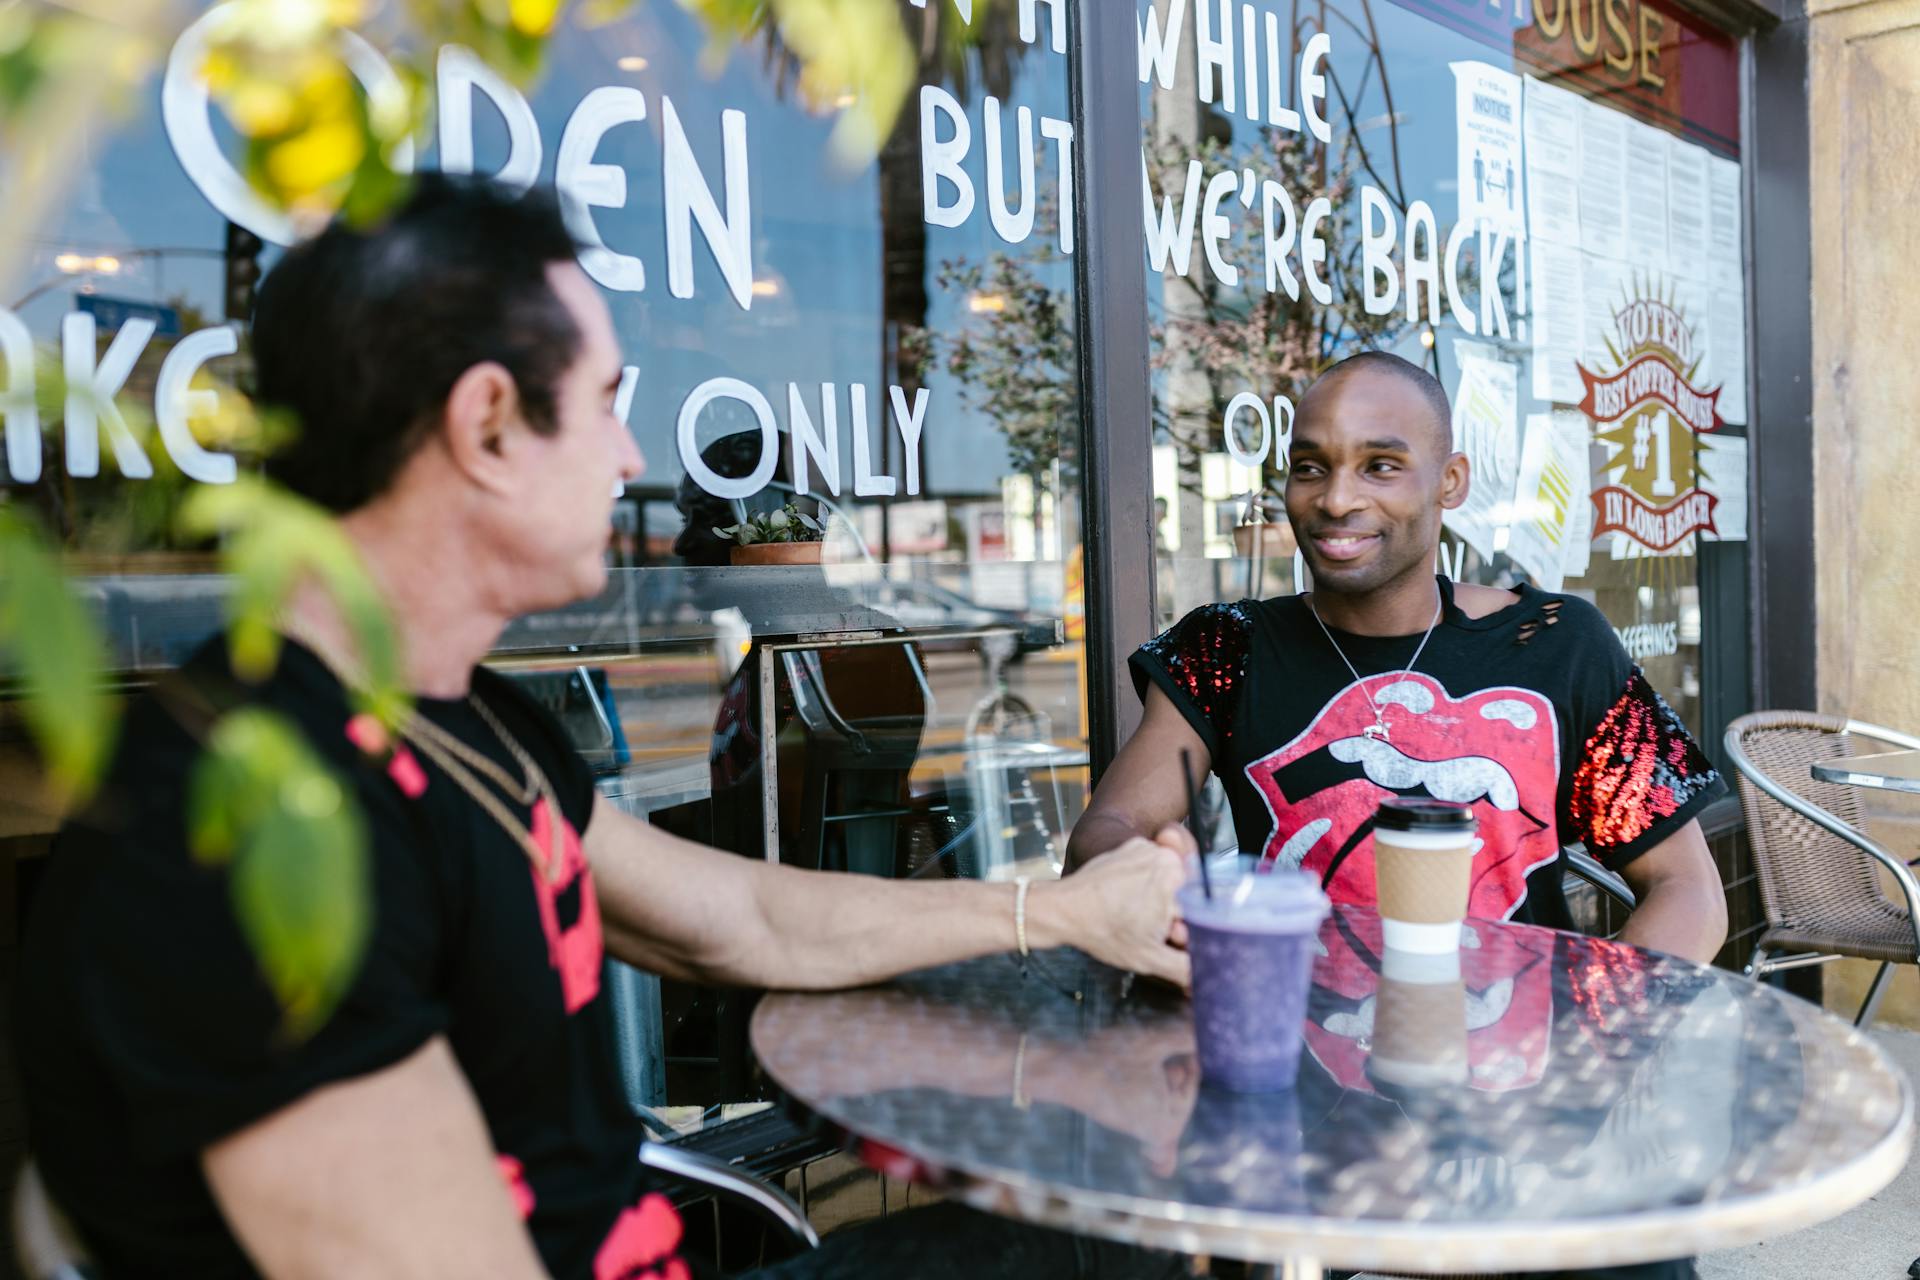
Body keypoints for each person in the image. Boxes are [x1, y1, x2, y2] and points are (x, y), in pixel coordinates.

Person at [17, 177, 1192, 1280]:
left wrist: (1060, 908)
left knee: (1110, 1231)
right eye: (604, 407)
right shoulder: (252, 838)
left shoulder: (467, 716)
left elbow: (735, 917)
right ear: (485, 425)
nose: (635, 459)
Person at [1066, 350, 1727, 1280]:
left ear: (1449, 480)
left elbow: (1689, 891)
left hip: (1524, 1101)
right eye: (1310, 465)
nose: (1337, 498)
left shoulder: (1554, 644)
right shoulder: (1229, 650)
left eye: (1381, 464)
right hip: (1304, 1108)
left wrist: (1581, 1061)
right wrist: (1159, 885)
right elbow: (1107, 836)